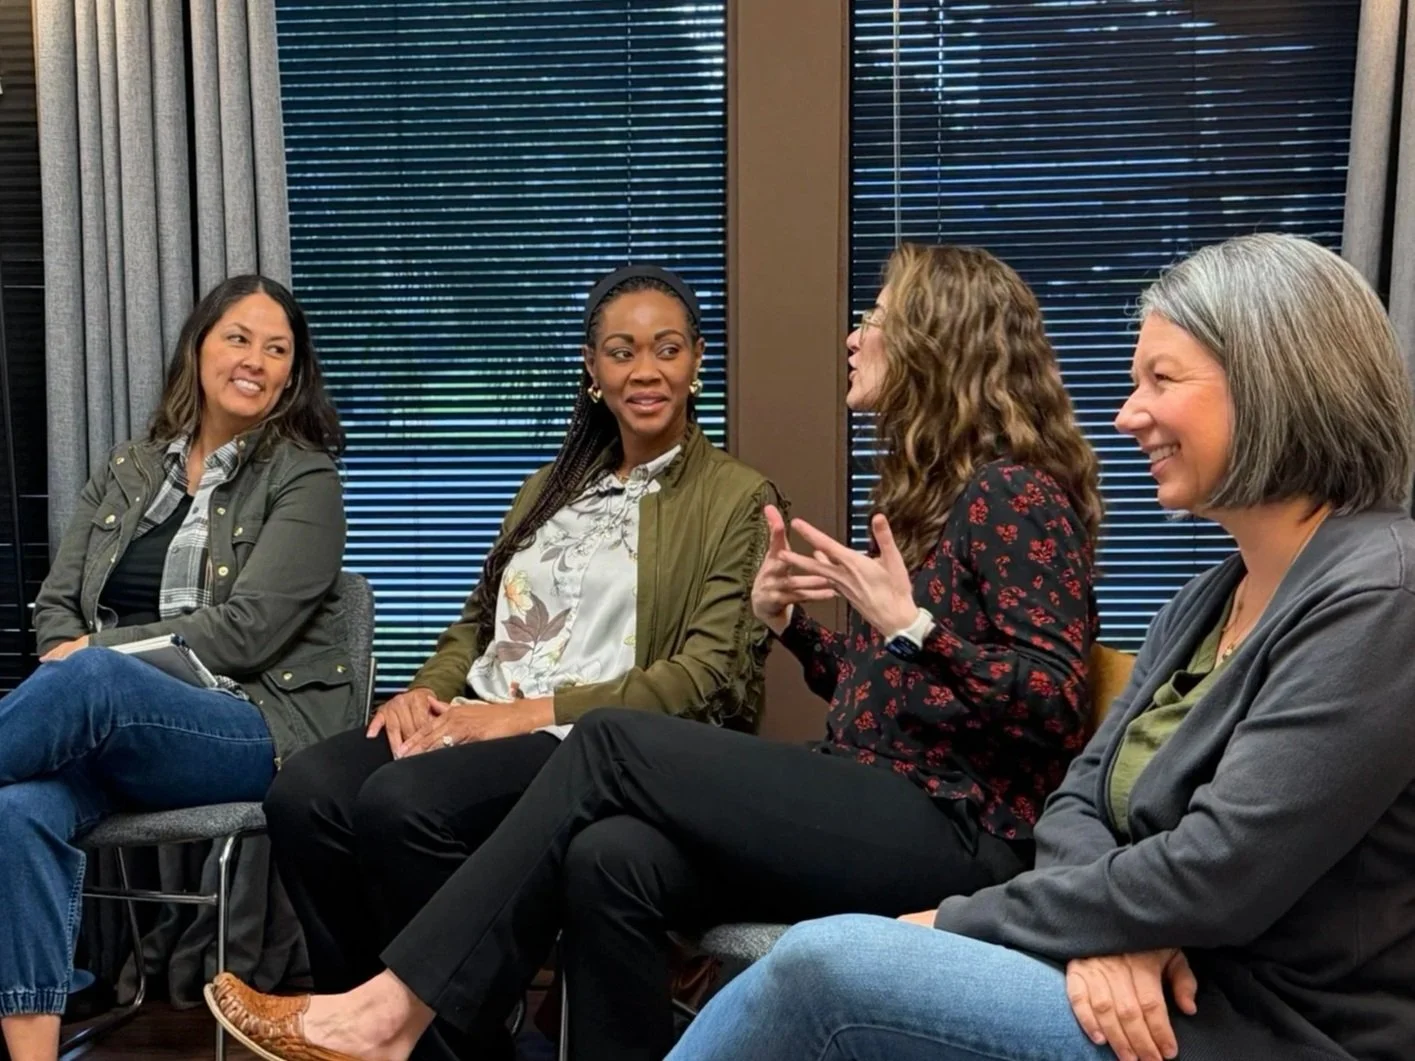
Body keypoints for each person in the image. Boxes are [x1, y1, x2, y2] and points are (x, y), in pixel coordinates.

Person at [206, 243, 1104, 1061]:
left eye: (876, 317)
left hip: (961, 833)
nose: (854, 333)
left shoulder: (1012, 495)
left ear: (936, 344)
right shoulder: (930, 499)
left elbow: (1053, 703)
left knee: (606, 740)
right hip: (879, 792)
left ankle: (395, 1013)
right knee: (612, 857)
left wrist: (913, 627)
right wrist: (798, 633)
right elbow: (896, 699)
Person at [665, 233, 1415, 1061]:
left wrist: (960, 920)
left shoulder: (1381, 597)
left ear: (1277, 384)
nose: (1128, 413)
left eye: (1160, 379)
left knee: (819, 963)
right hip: (1139, 987)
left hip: (1254, 1028)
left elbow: (1216, 872)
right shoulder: (1203, 601)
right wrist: (1107, 934)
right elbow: (1076, 803)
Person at [259, 264, 781, 1060]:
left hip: (589, 743)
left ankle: (441, 1040)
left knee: (403, 804)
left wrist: (522, 715)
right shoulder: (548, 486)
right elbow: (478, 623)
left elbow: (705, 674)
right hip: (478, 712)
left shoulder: (735, 496)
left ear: (697, 361)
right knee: (305, 794)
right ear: (592, 368)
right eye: (621, 351)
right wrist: (426, 694)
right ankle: (355, 1024)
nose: (645, 369)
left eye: (667, 348)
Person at [0, 275, 352, 1061]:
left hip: (248, 727)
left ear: (292, 375)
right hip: (114, 734)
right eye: (237, 338)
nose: (255, 360)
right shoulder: (130, 471)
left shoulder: (305, 478)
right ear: (198, 348)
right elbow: (56, 607)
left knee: (92, 678)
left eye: (277, 349)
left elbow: (247, 633)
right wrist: (85, 656)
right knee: (17, 808)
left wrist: (100, 656)